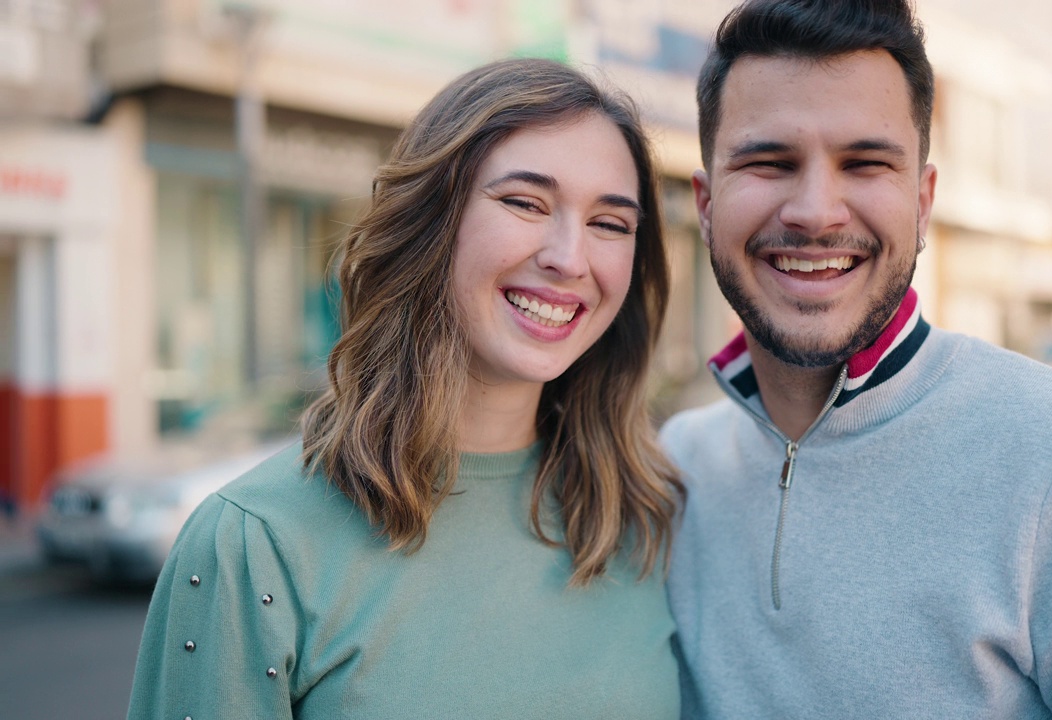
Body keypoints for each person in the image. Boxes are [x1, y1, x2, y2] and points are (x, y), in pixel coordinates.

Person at [660, 1, 1052, 717]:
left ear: (923, 203)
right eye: (769, 162)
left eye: (864, 163)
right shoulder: (676, 473)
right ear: (705, 204)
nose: (817, 211)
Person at [127, 57, 684, 719]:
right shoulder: (253, 543)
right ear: (431, 221)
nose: (570, 257)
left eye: (610, 224)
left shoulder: (647, 519)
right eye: (524, 202)